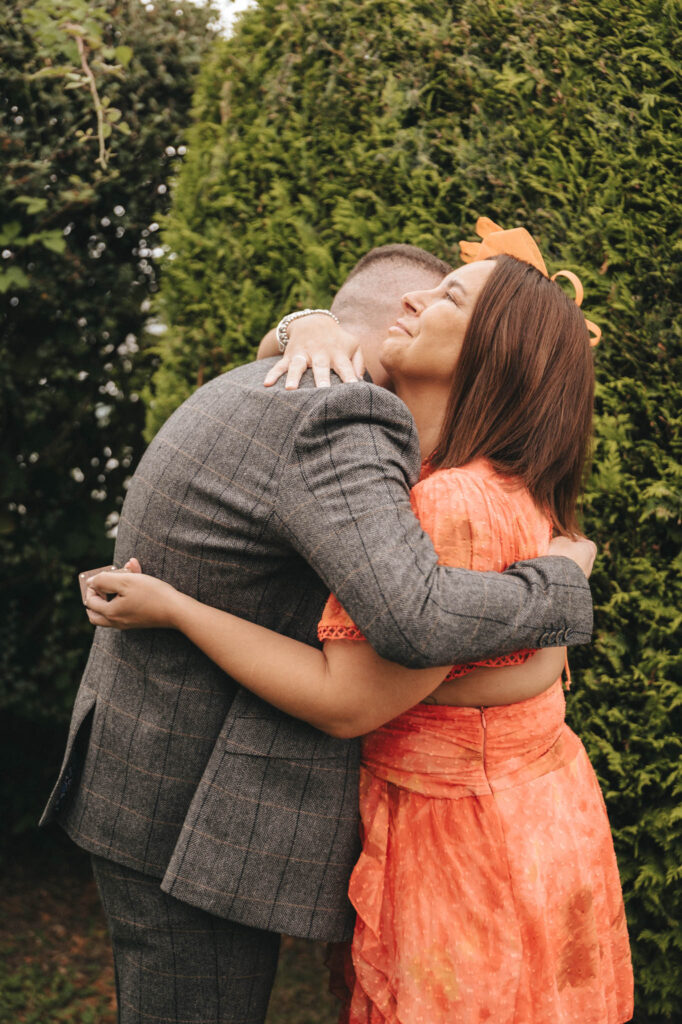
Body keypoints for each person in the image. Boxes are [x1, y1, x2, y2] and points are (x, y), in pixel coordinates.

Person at [84, 222, 632, 1023]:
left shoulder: (444, 495)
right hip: (521, 817)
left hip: (461, 835)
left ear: (496, 353)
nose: (415, 301)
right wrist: (303, 319)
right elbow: (510, 665)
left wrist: (178, 609)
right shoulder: (484, 480)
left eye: (447, 295)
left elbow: (362, 689)